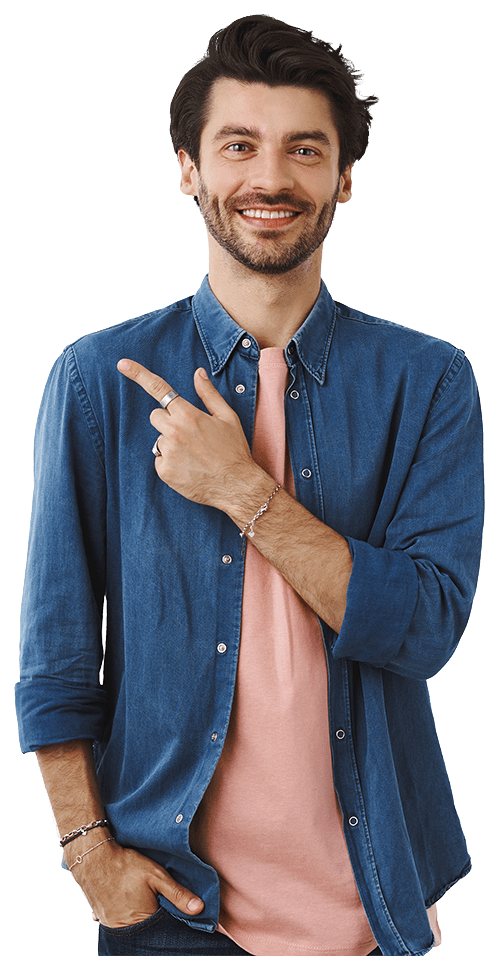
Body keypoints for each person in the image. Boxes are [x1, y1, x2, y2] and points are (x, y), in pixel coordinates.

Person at [15, 14, 483, 956]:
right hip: (172, 907)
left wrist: (243, 490)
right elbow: (58, 658)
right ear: (189, 168)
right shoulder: (97, 380)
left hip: (377, 903)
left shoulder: (428, 381)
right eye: (239, 146)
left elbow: (426, 628)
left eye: (305, 149)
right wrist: (87, 851)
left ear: (343, 178)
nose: (271, 179)